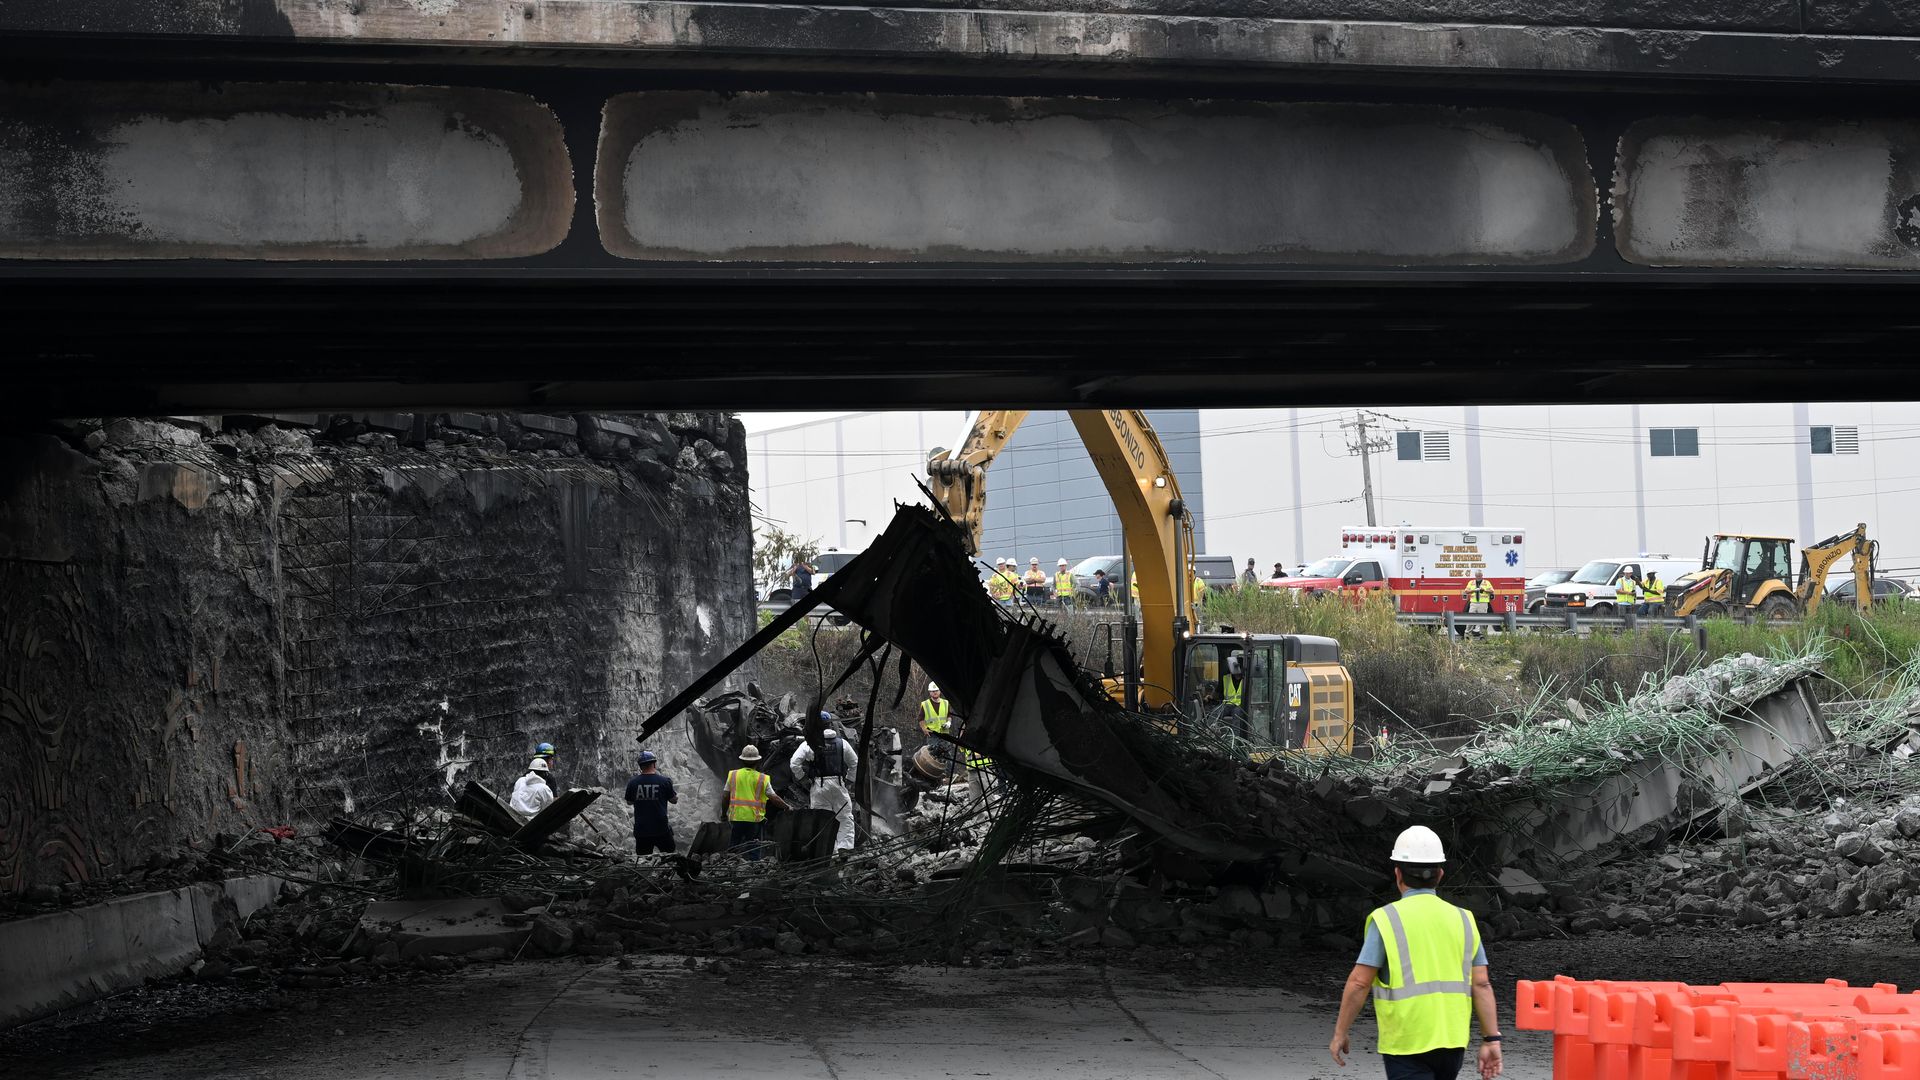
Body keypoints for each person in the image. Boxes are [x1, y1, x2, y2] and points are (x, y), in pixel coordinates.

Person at [1329, 825, 1504, 1080]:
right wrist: (1491, 1039)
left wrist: (1340, 1033)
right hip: (1451, 1043)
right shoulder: (1464, 919)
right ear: (1440, 874)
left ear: (1397, 873)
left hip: (1406, 1041)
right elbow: (1482, 984)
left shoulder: (1386, 919)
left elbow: (1359, 982)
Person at [789, 720, 859, 852]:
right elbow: (854, 762)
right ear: (831, 725)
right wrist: (850, 780)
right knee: (845, 817)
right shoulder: (842, 743)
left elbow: (794, 763)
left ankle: (830, 851)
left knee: (822, 820)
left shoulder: (808, 744)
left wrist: (803, 778)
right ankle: (845, 848)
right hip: (839, 784)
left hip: (819, 786)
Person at [720, 745, 790, 861]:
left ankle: (730, 867)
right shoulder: (763, 778)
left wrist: (723, 814)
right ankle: (754, 868)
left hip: (736, 818)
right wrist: (787, 806)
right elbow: (774, 798)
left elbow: (725, 796)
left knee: (733, 846)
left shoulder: (733, 775)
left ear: (742, 760)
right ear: (758, 761)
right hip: (754, 820)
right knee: (754, 847)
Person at [623, 750, 677, 855]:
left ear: (640, 766)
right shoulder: (665, 781)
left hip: (642, 829)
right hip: (661, 828)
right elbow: (673, 800)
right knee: (670, 856)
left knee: (643, 859)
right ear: (654, 764)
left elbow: (629, 802)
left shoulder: (632, 783)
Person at [510, 757, 555, 821]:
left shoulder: (520, 780)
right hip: (530, 823)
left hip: (511, 816)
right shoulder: (544, 789)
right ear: (545, 774)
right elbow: (547, 809)